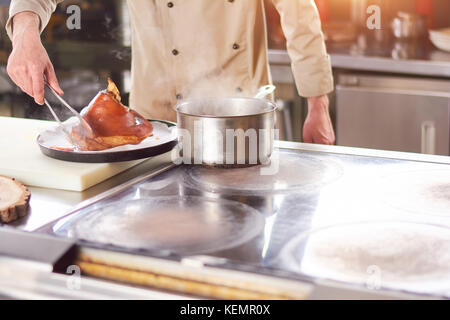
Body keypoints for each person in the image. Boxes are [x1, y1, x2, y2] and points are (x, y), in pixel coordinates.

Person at [5, 0, 335, 144]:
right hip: (156, 128)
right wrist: (25, 34)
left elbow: (299, 15)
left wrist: (317, 105)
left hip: (240, 124)